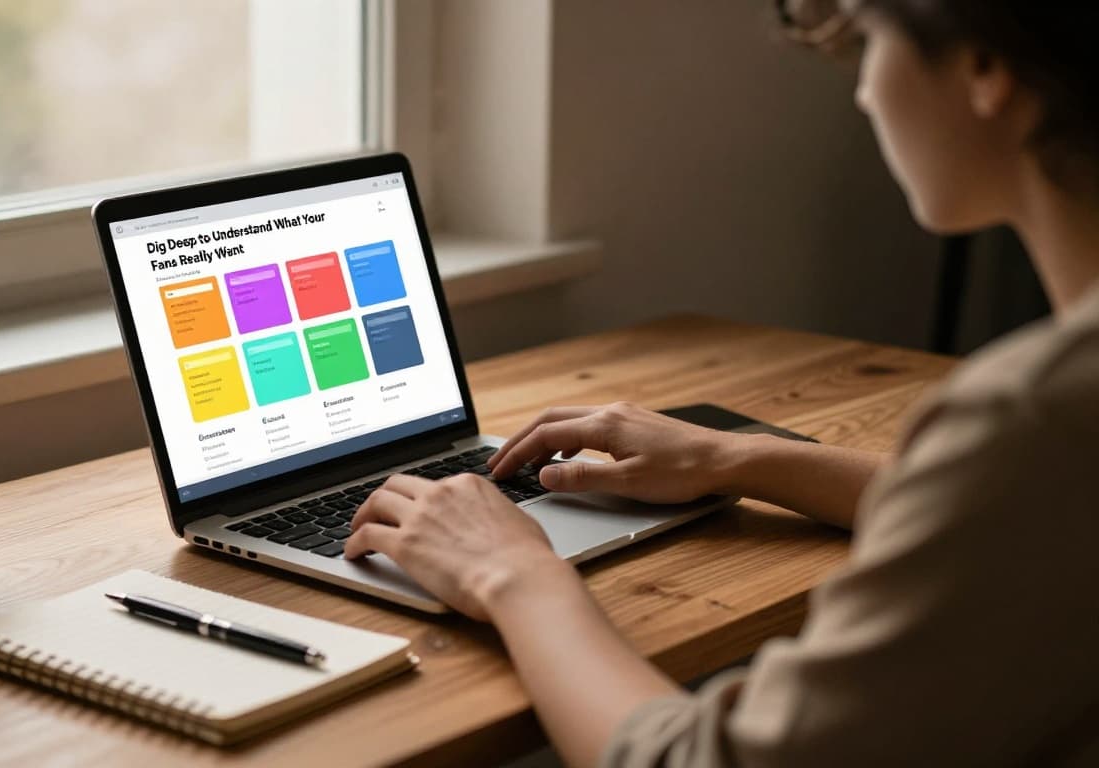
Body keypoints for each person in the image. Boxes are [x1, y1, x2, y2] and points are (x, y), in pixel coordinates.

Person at [343, 1, 1099, 766]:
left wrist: (513, 575)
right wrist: (741, 457)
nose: (865, 92)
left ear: (985, 71)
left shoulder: (1035, 415)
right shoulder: (1048, 432)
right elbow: (1013, 505)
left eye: (870, 41)